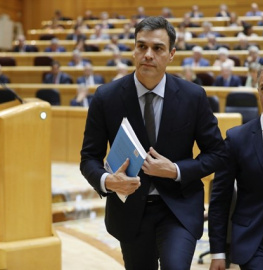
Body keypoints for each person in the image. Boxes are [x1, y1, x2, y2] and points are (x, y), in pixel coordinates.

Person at [80, 16, 226, 270]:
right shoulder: (106, 97)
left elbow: (217, 153)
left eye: (157, 48)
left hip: (178, 209)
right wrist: (108, 182)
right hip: (129, 212)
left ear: (171, 54)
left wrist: (177, 170)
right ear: (134, 49)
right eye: (141, 46)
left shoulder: (194, 97)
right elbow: (88, 158)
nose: (148, 54)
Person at [208, 62, 263, 269]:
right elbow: (220, 198)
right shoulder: (237, 138)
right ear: (258, 92)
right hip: (254, 240)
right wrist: (217, 251)